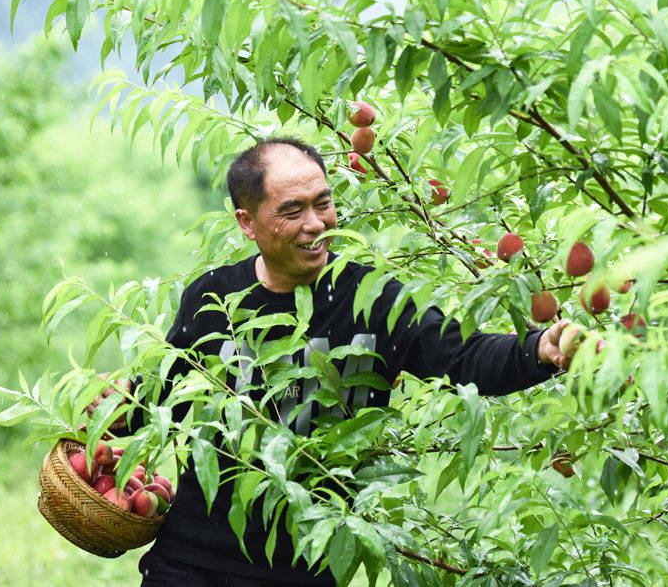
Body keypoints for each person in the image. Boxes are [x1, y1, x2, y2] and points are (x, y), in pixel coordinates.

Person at [104, 137, 574, 586]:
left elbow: (463, 356)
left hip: (303, 568)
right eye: (292, 210)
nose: (316, 224)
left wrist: (538, 350)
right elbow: (159, 400)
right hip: (188, 559)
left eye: (323, 203)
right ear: (248, 223)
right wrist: (111, 408)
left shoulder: (372, 300)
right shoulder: (212, 296)